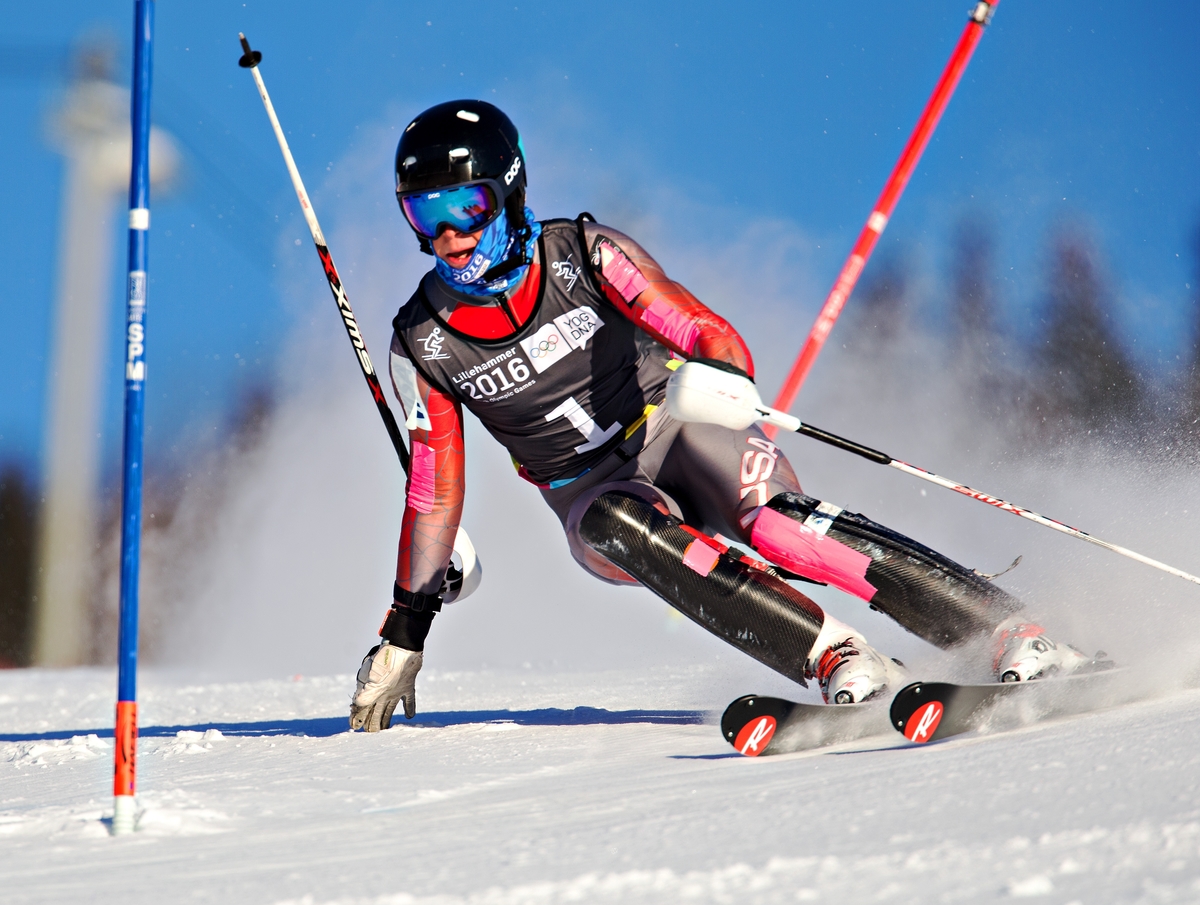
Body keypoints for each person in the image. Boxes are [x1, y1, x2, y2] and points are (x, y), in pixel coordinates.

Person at [349, 101, 1097, 732]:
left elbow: (705, 331)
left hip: (678, 426)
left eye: (466, 208)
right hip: (588, 491)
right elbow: (435, 491)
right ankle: (835, 654)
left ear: (508, 195)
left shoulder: (585, 254)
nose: (449, 236)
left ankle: (1012, 628)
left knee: (773, 525)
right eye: (425, 213)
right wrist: (405, 628)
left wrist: (721, 378)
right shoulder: (424, 342)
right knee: (614, 526)